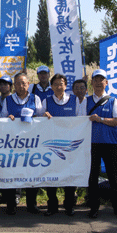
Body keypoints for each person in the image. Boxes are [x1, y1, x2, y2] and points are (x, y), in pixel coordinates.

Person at [1, 72, 45, 215]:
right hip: (12, 143)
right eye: (18, 83)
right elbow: (1, 119)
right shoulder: (8, 100)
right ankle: (11, 204)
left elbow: (41, 117)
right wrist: (9, 118)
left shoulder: (35, 98)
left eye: (24, 83)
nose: (21, 86)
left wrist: (41, 117)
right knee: (11, 173)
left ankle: (31, 204)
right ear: (14, 85)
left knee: (31, 173)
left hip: (32, 144)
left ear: (29, 84)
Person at [86, 69, 117, 219]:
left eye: (101, 80)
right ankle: (93, 207)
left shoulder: (113, 101)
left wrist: (100, 119)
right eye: (95, 79)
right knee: (92, 177)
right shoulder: (86, 101)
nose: (98, 82)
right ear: (92, 82)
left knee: (114, 177)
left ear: (106, 82)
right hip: (92, 144)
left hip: (110, 143)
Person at [43, 74, 77, 217]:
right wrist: (43, 116)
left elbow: (81, 120)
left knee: (69, 176)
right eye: (55, 84)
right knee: (51, 176)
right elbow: (39, 121)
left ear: (66, 85)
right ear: (51, 87)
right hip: (52, 145)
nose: (58, 86)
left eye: (61, 83)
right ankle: (52, 206)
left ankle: (69, 206)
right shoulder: (46, 101)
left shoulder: (75, 100)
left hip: (70, 145)